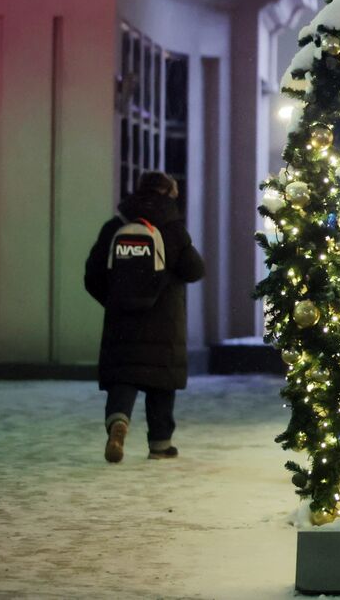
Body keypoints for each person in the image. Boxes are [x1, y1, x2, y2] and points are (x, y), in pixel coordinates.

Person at [83, 171, 204, 463]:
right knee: (161, 382)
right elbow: (195, 270)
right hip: (165, 323)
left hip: (122, 322)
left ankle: (119, 422)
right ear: (170, 194)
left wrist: (116, 300)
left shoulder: (115, 226)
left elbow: (92, 276)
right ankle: (161, 444)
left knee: (123, 377)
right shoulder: (173, 230)